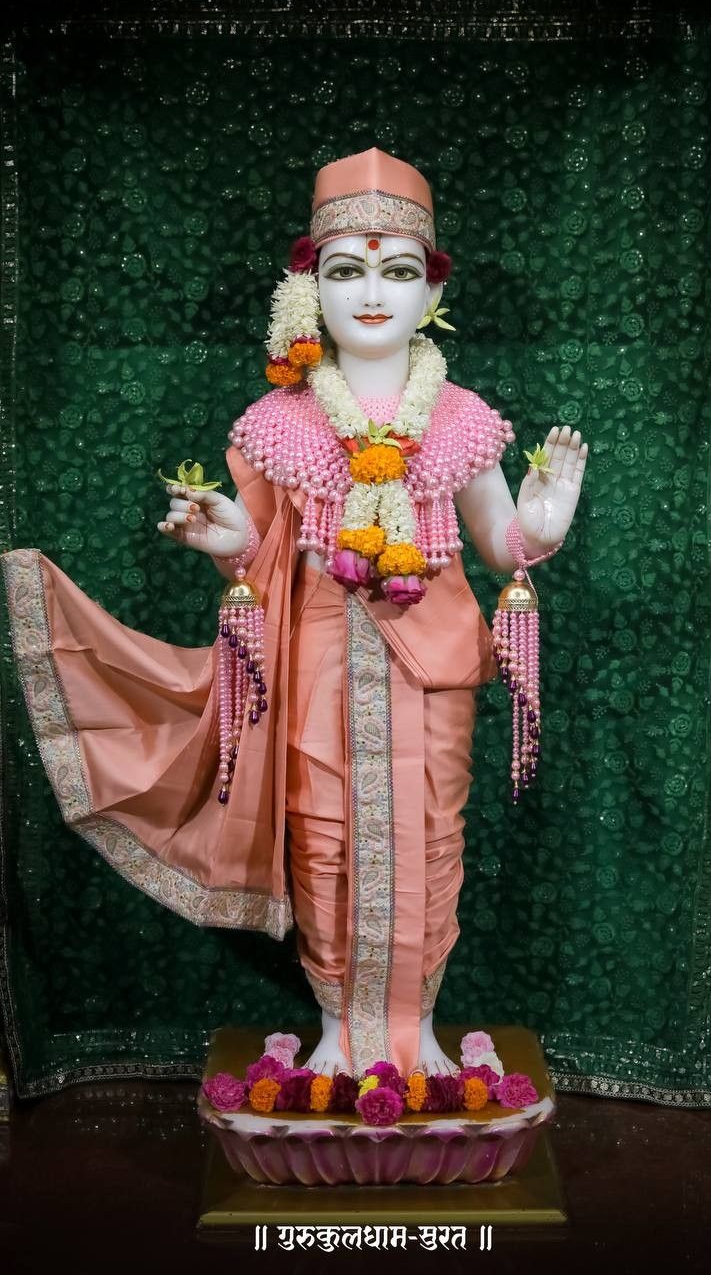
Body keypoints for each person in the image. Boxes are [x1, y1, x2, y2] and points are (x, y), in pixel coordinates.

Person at [1, 149, 587, 1078]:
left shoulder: (462, 416)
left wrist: (542, 526)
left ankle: (416, 1031)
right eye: (344, 270)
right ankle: (341, 1032)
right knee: (322, 841)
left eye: (396, 272)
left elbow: (499, 548)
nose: (370, 295)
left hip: (430, 665)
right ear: (307, 286)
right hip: (310, 662)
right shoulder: (278, 422)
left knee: (433, 839)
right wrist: (226, 540)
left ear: (429, 291)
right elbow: (259, 556)